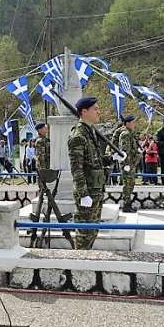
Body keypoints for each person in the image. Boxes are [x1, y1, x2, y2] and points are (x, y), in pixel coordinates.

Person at [68, 97, 118, 250]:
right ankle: (77, 269)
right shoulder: (78, 135)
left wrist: (111, 158)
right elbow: (76, 168)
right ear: (84, 111)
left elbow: (95, 161)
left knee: (93, 232)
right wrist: (83, 194)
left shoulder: (90, 133)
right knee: (84, 235)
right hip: (87, 192)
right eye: (95, 109)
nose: (98, 111)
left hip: (96, 190)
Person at [118, 115, 139, 212]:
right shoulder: (125, 134)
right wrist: (126, 164)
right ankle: (126, 205)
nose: (135, 124)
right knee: (127, 184)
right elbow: (124, 151)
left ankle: (128, 203)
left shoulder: (130, 133)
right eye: (133, 122)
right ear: (128, 123)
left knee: (131, 184)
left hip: (131, 163)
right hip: (127, 164)